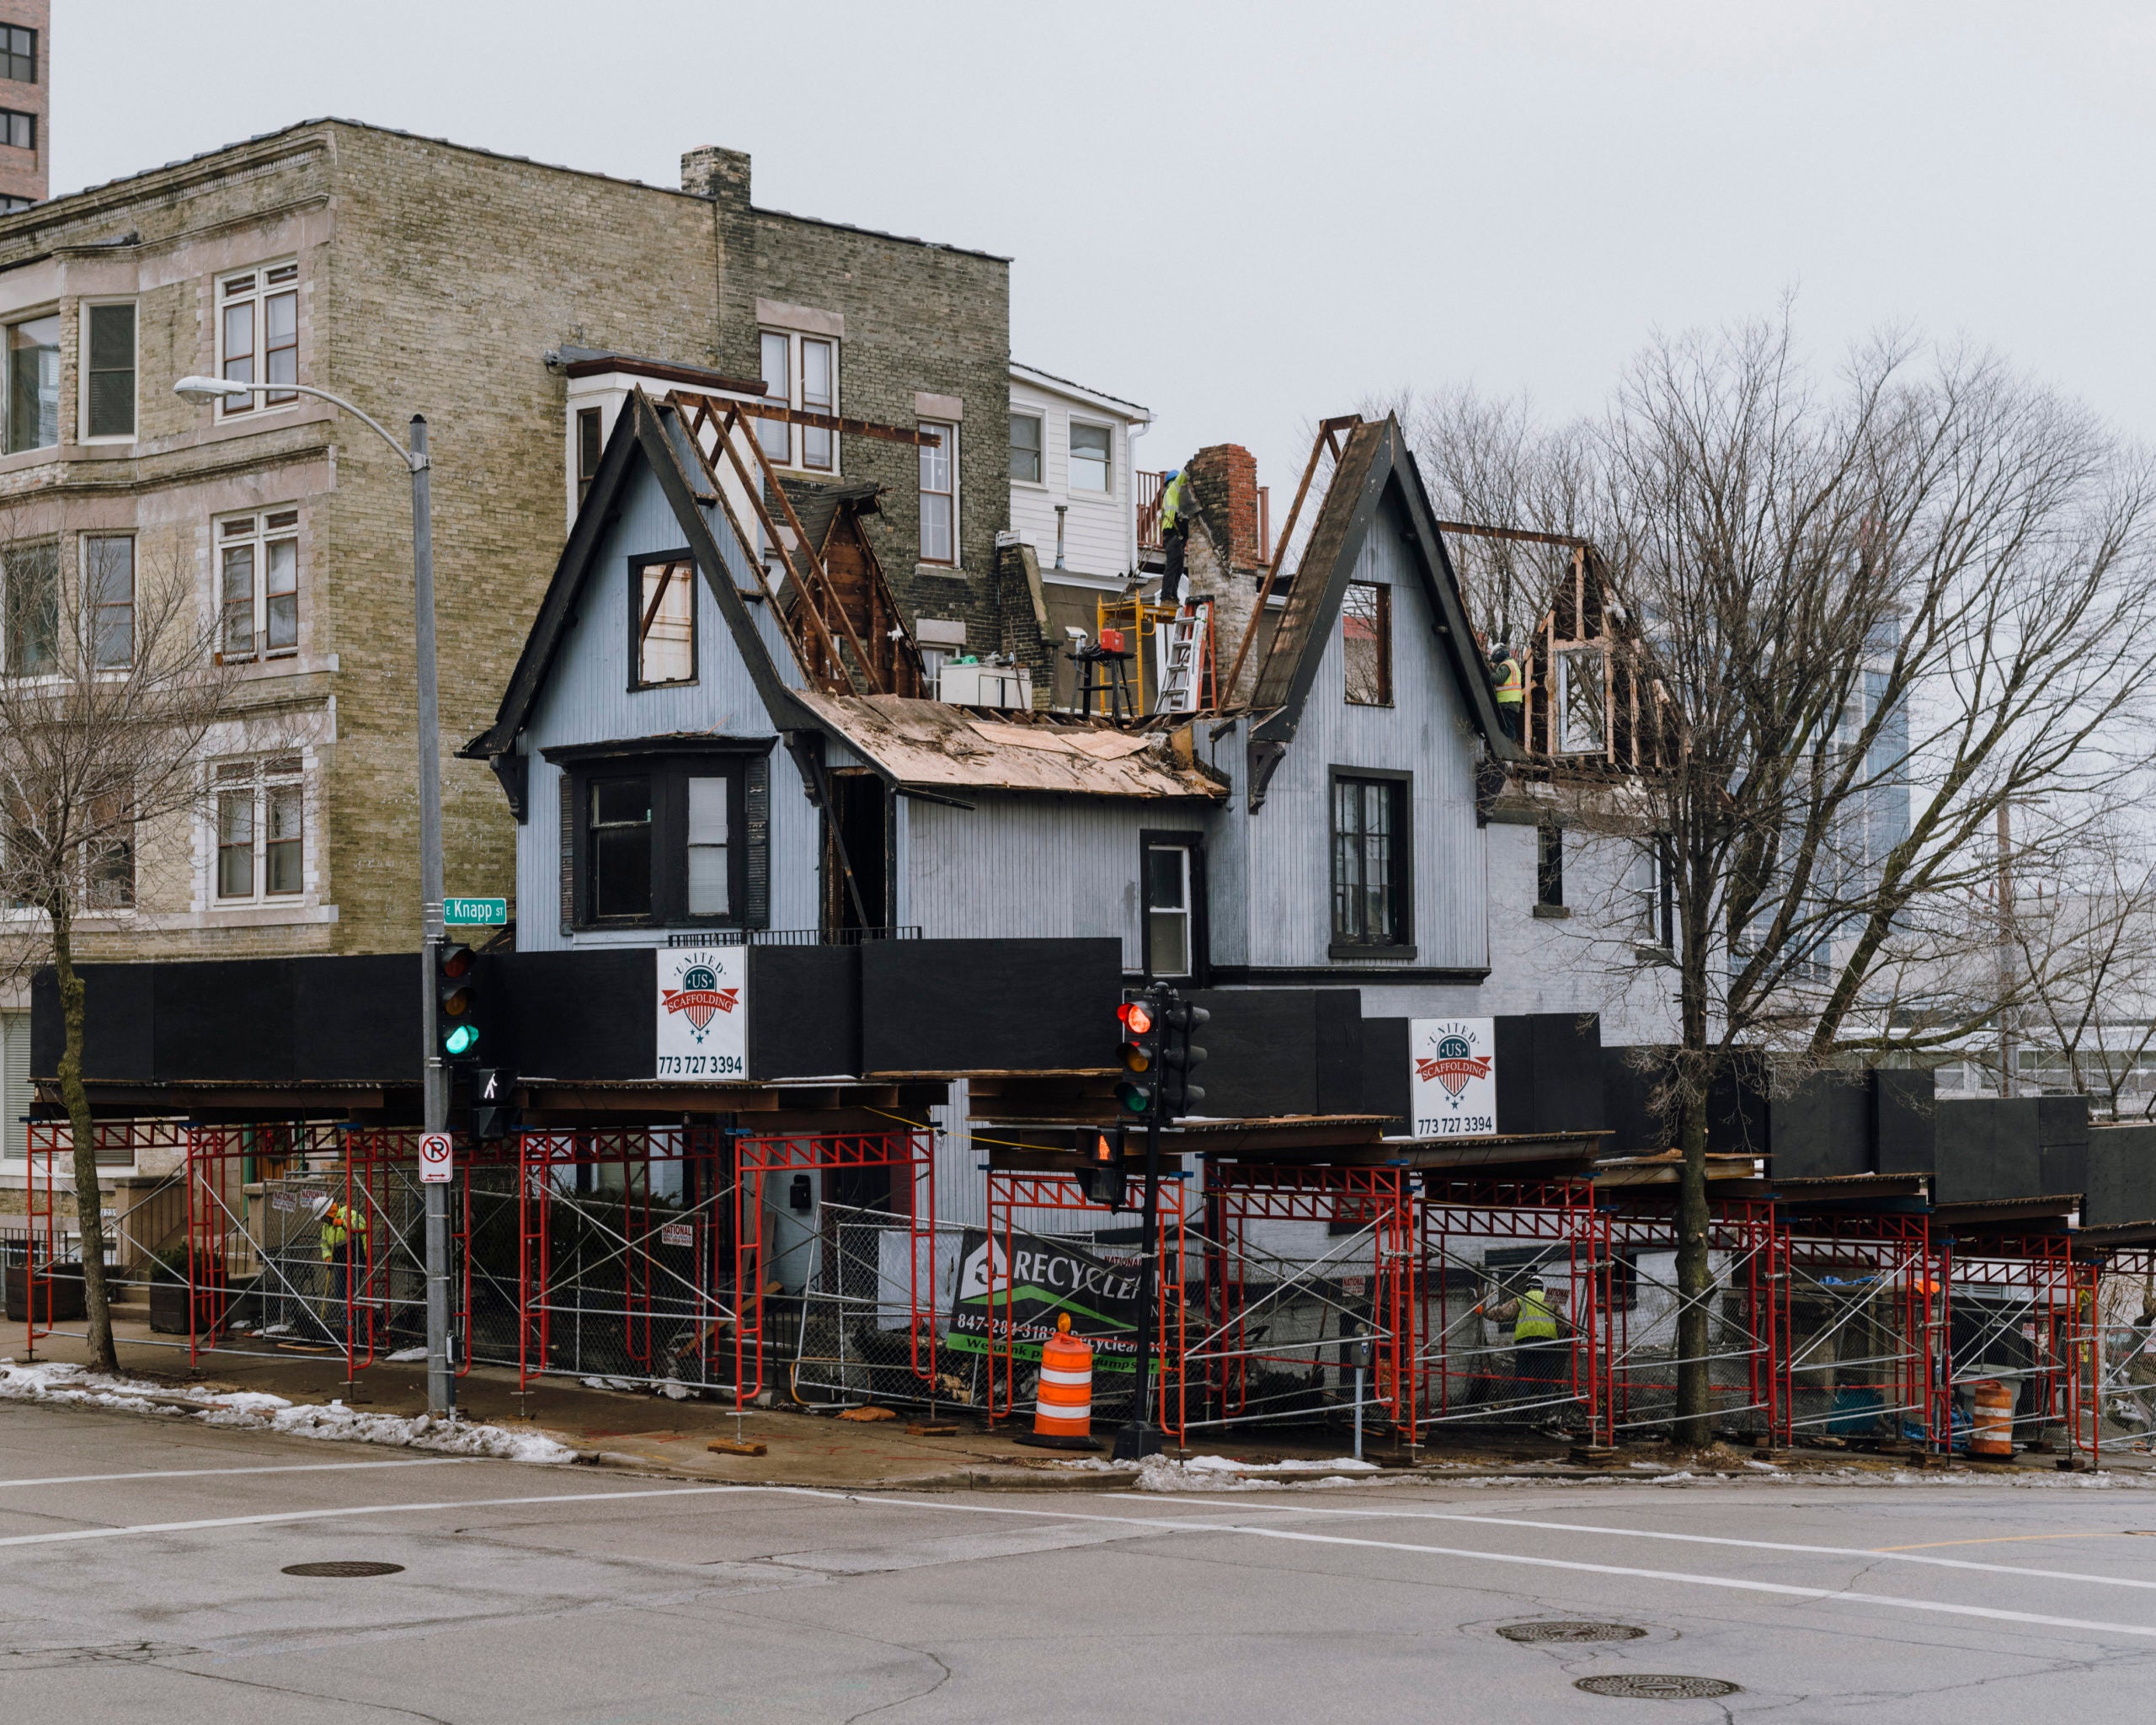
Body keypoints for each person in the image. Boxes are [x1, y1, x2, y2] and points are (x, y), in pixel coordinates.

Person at [1485, 1271, 1567, 1418]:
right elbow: (1562, 1322)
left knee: (1522, 1374)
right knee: (1545, 1376)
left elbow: (1502, 1313)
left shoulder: (1522, 1299)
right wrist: (1559, 1340)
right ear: (1541, 1287)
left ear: (1528, 1287)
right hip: (1546, 1342)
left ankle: (1523, 1406)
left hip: (1526, 1342)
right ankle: (1546, 1409)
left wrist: (1485, 1312)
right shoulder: (1552, 1298)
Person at [312, 1191, 369, 1346]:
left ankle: (348, 1324)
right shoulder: (327, 1226)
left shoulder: (350, 1215)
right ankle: (347, 1321)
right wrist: (327, 1257)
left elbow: (358, 1230)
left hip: (356, 1258)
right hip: (340, 1261)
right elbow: (324, 1243)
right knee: (339, 1292)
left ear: (329, 1211)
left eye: (323, 1217)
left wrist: (343, 1225)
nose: (323, 1221)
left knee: (349, 1292)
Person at [1157, 466, 1191, 606]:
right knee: (1173, 566)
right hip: (1173, 535)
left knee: (1178, 568)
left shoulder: (1173, 497)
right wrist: (1188, 467)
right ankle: (1166, 597)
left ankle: (1173, 596)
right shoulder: (1172, 490)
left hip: (1175, 537)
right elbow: (1181, 479)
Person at [1490, 643, 1524, 742]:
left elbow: (1499, 678)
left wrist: (1489, 673)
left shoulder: (1506, 665)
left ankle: (1509, 747)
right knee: (1509, 725)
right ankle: (1510, 745)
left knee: (1508, 729)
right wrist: (1495, 668)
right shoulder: (1511, 663)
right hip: (1512, 701)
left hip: (1507, 702)